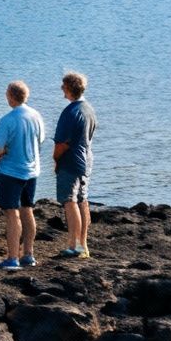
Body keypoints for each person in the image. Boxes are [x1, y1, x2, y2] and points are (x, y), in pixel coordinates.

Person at [0, 80, 44, 269]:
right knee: (27, 209)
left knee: (12, 213)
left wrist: (1, 153)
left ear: (11, 96)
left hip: (11, 171)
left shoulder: (8, 119)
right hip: (32, 170)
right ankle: (28, 254)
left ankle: (12, 257)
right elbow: (41, 139)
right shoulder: (36, 115)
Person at [52, 70, 98, 259]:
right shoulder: (88, 109)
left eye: (64, 86)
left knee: (70, 201)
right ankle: (83, 245)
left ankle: (74, 245)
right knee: (82, 201)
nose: (62, 89)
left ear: (70, 88)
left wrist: (55, 160)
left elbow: (62, 143)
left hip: (71, 161)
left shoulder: (71, 112)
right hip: (86, 160)